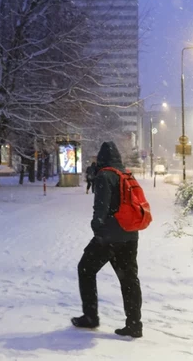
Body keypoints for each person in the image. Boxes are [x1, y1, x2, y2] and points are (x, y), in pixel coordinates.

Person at [72, 141, 143, 338]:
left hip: (110, 236)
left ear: (101, 158)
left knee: (85, 268)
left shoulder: (105, 175)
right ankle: (134, 324)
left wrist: (97, 229)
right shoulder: (126, 174)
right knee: (129, 279)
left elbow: (100, 208)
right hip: (130, 234)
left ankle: (90, 316)